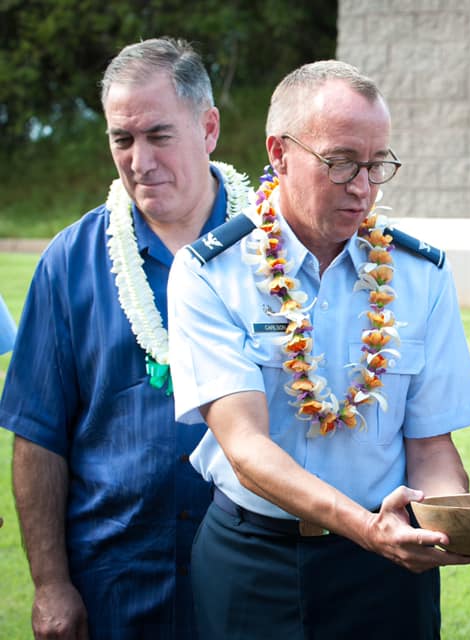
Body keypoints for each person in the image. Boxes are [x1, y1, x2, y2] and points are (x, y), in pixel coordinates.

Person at [166, 60, 470, 640]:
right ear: (278, 153)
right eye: (341, 162)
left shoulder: (419, 274)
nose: (363, 186)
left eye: (378, 163)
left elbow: (430, 444)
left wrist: (460, 519)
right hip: (254, 562)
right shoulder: (212, 272)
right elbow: (246, 447)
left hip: (385, 571)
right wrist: (365, 526)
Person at [0, 38, 249, 639]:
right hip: (117, 580)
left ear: (208, 127)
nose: (139, 160)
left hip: (253, 575)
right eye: (122, 139)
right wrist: (52, 585)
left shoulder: (270, 249)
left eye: (159, 135)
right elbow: (38, 436)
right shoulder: (71, 262)